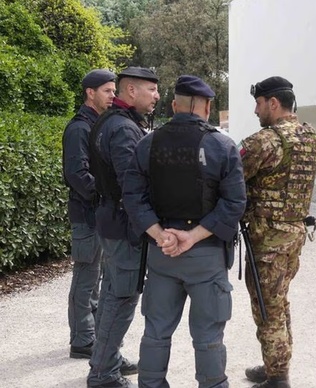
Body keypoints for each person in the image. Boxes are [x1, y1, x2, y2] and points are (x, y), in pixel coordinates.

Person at [122, 74, 246, 388]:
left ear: (175, 105)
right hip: (206, 254)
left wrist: (160, 234)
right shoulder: (222, 144)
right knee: (208, 337)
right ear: (206, 107)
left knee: (156, 332)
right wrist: (191, 236)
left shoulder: (147, 142)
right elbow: (234, 203)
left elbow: (133, 197)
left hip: (162, 253)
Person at [239, 76, 316, 388]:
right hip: (295, 234)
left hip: (268, 239)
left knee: (267, 306)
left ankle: (277, 378)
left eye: (258, 104)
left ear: (272, 103)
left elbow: (230, 175)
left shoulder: (264, 141)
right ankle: (275, 363)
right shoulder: (311, 137)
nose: (256, 111)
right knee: (279, 302)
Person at [87, 66, 160, 388]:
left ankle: (105, 361)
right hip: (122, 223)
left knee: (111, 295)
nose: (157, 96)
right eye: (152, 90)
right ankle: (103, 374)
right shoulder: (123, 128)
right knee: (122, 297)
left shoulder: (111, 121)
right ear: (131, 91)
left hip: (111, 218)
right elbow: (132, 184)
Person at [63, 69, 116, 360]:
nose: (113, 96)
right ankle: (82, 340)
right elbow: (76, 174)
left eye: (113, 90)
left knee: (97, 277)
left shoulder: (98, 125)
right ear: (90, 93)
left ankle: (90, 334)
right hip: (87, 215)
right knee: (86, 277)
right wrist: (104, 195)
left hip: (100, 213)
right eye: (107, 91)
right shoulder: (79, 128)